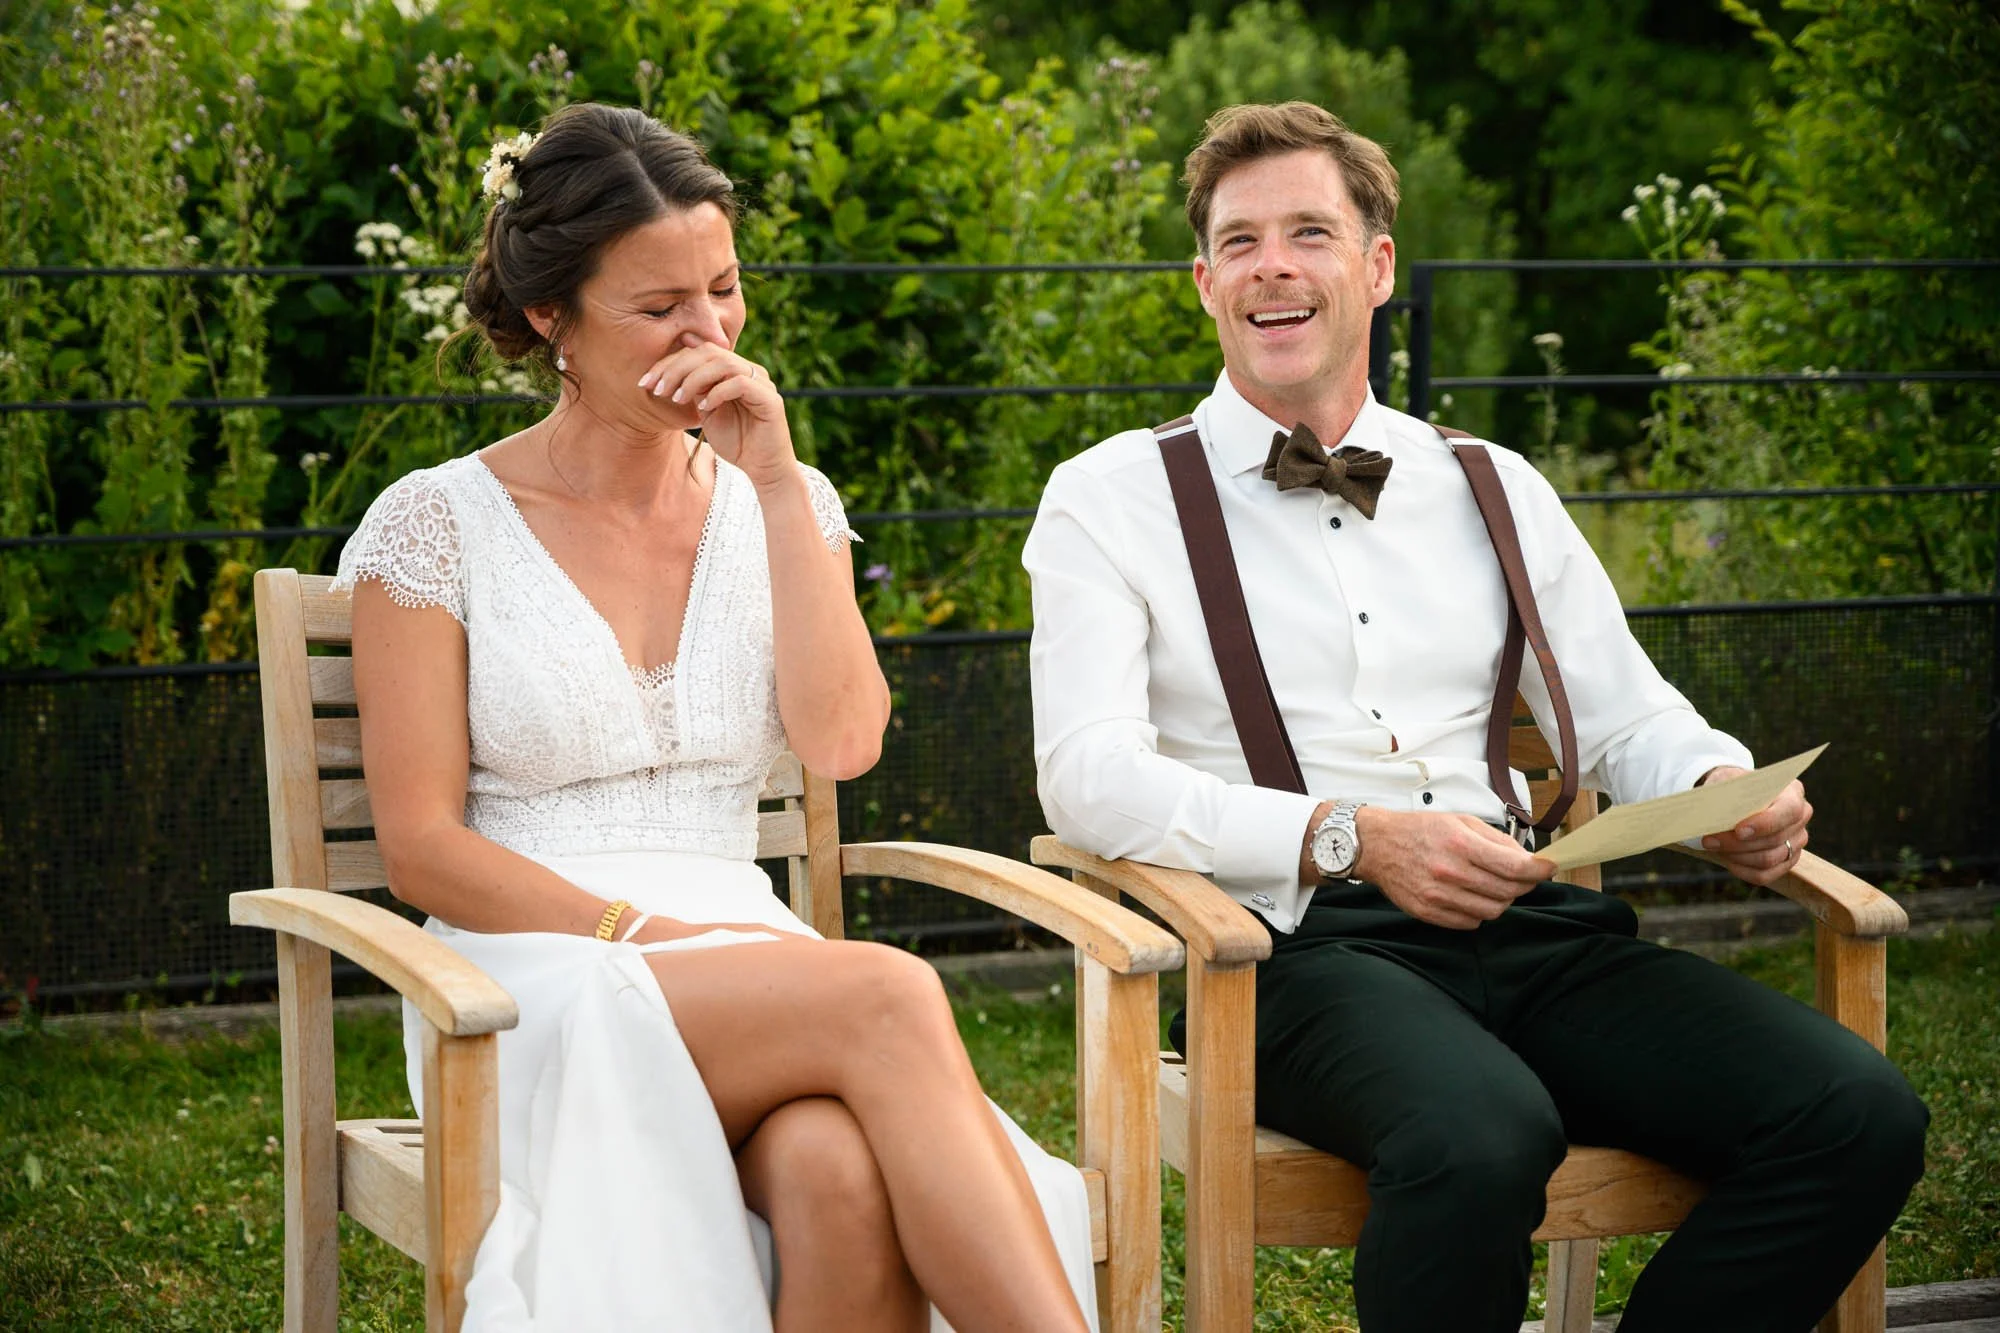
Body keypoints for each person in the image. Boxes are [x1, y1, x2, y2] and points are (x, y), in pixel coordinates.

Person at [1023, 100, 1927, 1332]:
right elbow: (1083, 776)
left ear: (1376, 266)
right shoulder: (1106, 498)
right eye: (1238, 242)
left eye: (1308, 233)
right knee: (1479, 1135)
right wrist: (1347, 835)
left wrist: (1721, 787)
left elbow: (1624, 714)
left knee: (1855, 1114)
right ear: (1203, 284)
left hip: (1534, 928)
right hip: (1295, 955)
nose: (1271, 266)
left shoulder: (1488, 481)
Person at [335, 103, 1097, 1333]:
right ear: (551, 316)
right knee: (891, 993)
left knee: (833, 1171)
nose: (711, 332)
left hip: (743, 952)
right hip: (527, 978)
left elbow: (842, 743)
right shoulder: (436, 523)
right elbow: (421, 848)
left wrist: (778, 483)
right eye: (660, 307)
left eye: (725, 289)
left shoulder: (781, 501)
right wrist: (632, 929)